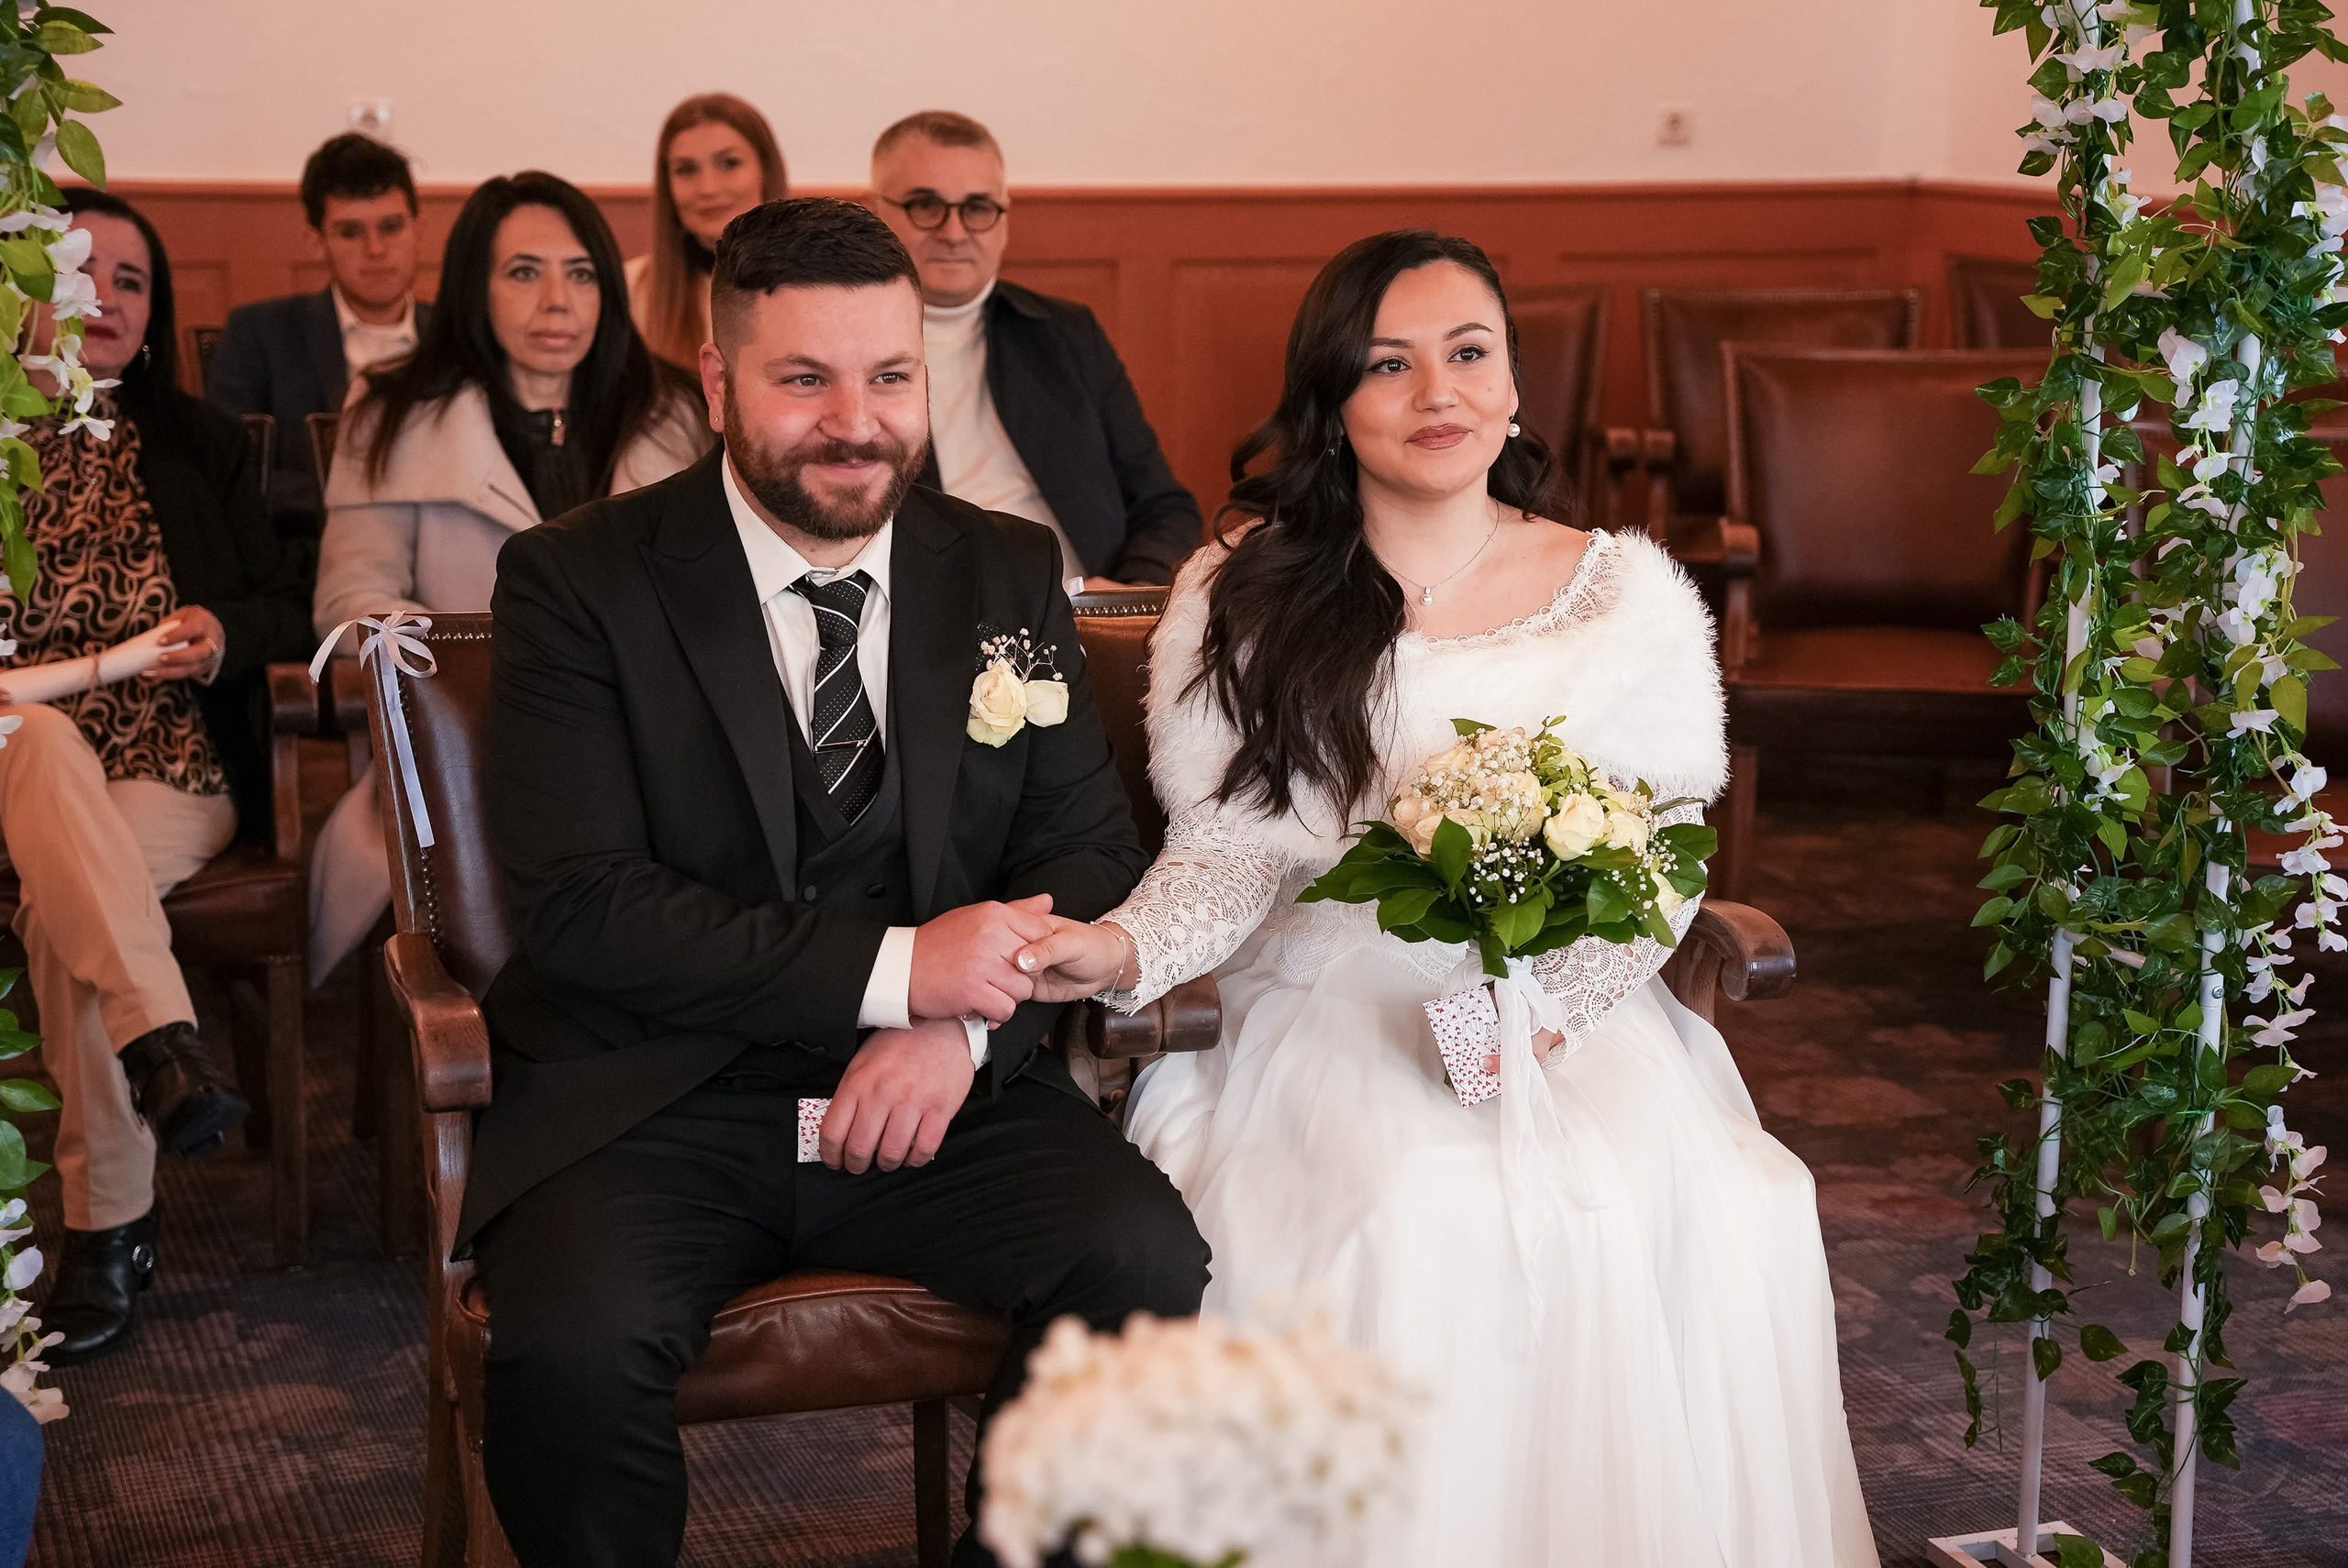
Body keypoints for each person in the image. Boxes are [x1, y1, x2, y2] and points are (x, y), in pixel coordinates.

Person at [1012, 231, 1879, 1567]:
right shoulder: (1242, 592)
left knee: (1729, 1200)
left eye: (1470, 354)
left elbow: (1663, 858)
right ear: (1331, 403)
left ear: (1515, 385)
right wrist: (1121, 945)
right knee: (1421, 1213)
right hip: (1322, 1004)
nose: (1438, 394)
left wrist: (1549, 1010)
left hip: (1563, 1008)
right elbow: (1229, 853)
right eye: (1388, 365)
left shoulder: (1623, 589)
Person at [467, 196, 1207, 1568]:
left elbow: (1085, 847)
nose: (856, 422)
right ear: (718, 379)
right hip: (659, 1095)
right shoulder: (576, 582)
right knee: (572, 1352)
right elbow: (583, 903)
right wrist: (895, 969)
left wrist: (959, 1023)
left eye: (889, 375)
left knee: (1145, 1265)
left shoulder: (1000, 564)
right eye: (804, 379)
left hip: (949, 1097)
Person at [6, 189, 312, 1364]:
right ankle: (167, 1052)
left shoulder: (201, 443)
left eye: (134, 281)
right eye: (83, 271)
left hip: (166, 762)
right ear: (28, 292)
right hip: (10, 757)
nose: (110, 298)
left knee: (64, 912)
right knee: (35, 746)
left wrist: (225, 632)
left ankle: (104, 1230)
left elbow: (288, 600)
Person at [306, 170, 708, 980]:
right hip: (468, 753)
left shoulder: (676, 412)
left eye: (582, 273)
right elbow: (350, 605)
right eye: (524, 272)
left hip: (653, 752)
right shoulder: (391, 414)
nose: (556, 301)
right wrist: (496, 669)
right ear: (474, 287)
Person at [869, 111, 1197, 589]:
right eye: (925, 205)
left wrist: (1130, 596)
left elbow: (1165, 507)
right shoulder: (844, 353)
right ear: (875, 211)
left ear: (1004, 220)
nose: (955, 233)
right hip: (935, 623)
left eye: (978, 208)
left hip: (1086, 612)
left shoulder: (1065, 333)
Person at [205, 132, 431, 543]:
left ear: (419, 231)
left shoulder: (460, 335)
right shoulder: (259, 333)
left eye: (392, 227)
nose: (376, 249)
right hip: (305, 558)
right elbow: (231, 474)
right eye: (350, 232)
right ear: (317, 241)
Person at [626, 93, 787, 372]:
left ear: (766, 171)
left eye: (730, 164)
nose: (708, 188)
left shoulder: (821, 284)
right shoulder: (630, 289)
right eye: (686, 170)